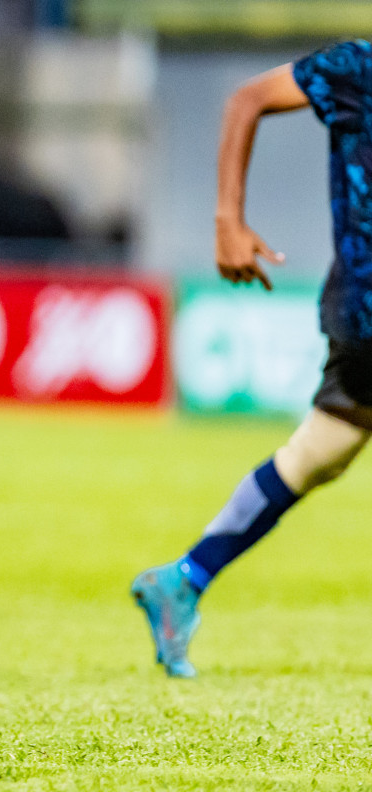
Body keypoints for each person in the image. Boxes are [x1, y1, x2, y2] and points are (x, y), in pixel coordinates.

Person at [133, 40, 372, 678]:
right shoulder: (357, 69)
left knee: (327, 446)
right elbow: (249, 98)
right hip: (367, 308)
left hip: (357, 313)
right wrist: (227, 220)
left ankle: (184, 577)